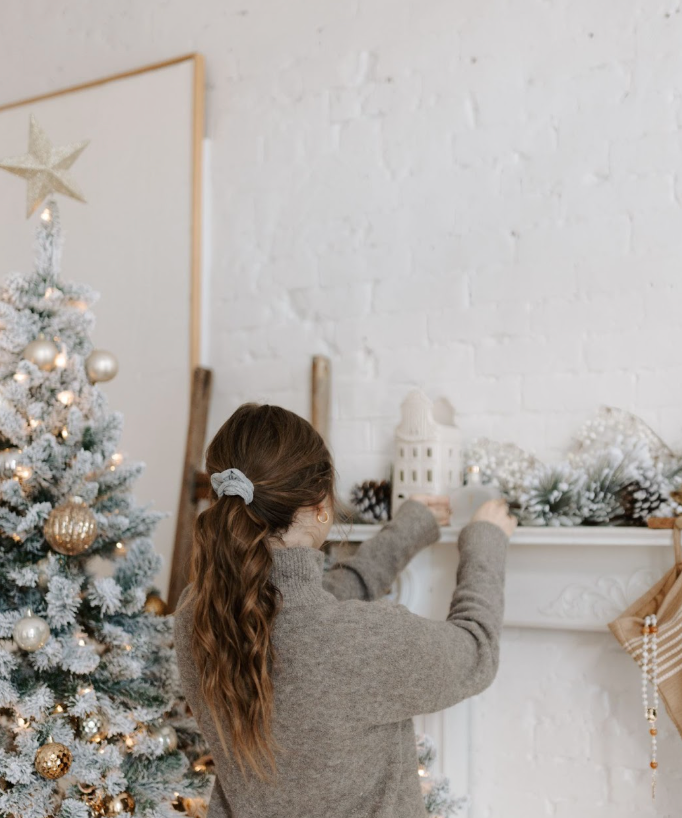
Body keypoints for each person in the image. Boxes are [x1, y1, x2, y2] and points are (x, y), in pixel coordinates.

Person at [174, 403, 517, 818]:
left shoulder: (196, 614)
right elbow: (476, 649)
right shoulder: (356, 641)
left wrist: (407, 530)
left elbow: (308, 609)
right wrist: (486, 538)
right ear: (321, 506)